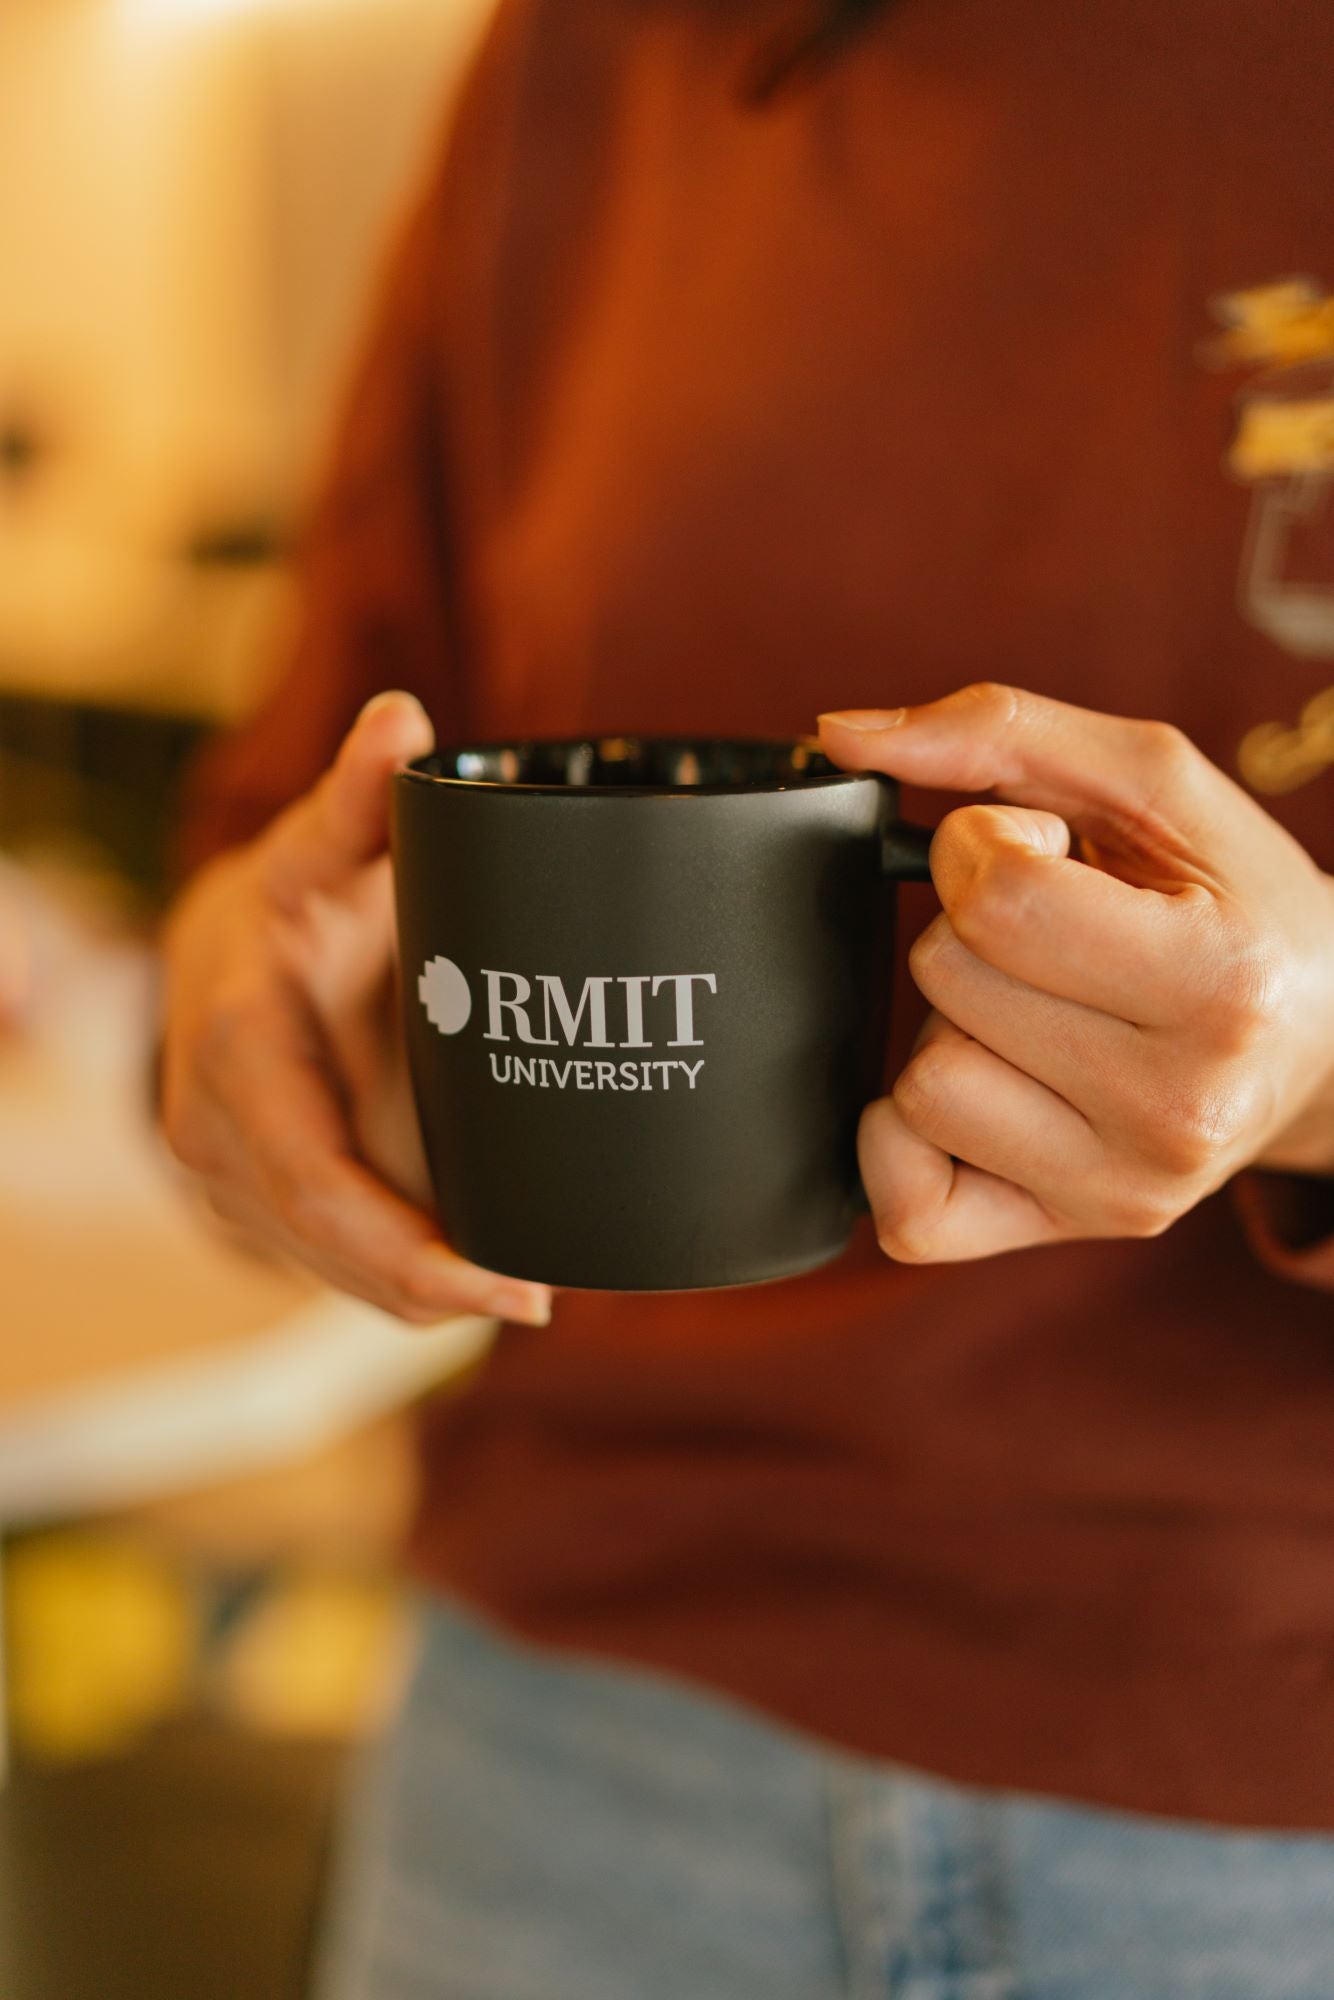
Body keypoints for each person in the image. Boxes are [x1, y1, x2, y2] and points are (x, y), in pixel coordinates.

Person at [161, 1, 1334, 1992]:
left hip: (1258, 1783)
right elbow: (304, 806)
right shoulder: (581, 60)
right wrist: (234, 993)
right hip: (560, 1730)